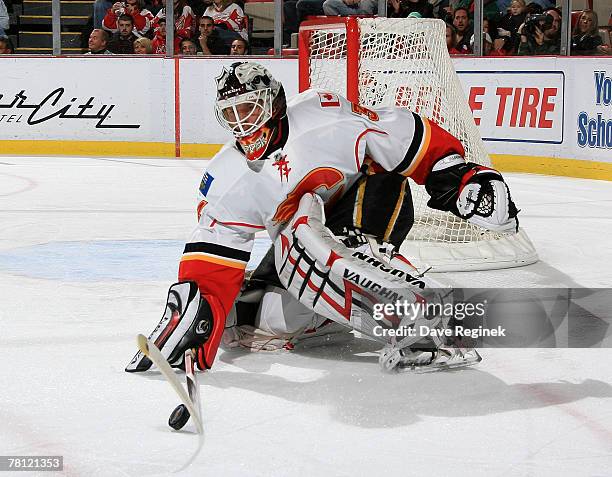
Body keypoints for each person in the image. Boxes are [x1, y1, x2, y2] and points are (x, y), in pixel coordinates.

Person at [126, 62, 520, 375]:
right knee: (244, 320)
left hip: (371, 204)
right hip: (302, 244)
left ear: (273, 103)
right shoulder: (228, 179)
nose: (242, 123)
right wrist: (196, 312)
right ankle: (340, 312)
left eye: (248, 109)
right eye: (231, 114)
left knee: (306, 231)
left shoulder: (322, 116)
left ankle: (420, 313)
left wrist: (459, 177)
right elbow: (215, 258)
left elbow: (398, 136)